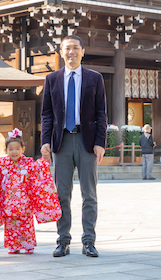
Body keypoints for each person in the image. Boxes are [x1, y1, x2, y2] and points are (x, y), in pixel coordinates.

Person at [41, 35, 107, 258]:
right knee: (61, 194)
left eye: (75, 48)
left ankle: (89, 241)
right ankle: (63, 240)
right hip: (62, 142)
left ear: (83, 51)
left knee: (89, 194)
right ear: (61, 52)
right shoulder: (52, 79)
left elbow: (101, 114)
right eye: (67, 48)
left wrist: (100, 142)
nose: (71, 52)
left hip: (87, 142)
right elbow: (47, 114)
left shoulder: (95, 78)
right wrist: (45, 142)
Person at [0, 129, 61, 254]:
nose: (14, 152)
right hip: (9, 202)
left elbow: (39, 167)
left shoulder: (28, 163)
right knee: (10, 225)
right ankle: (13, 245)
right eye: (11, 149)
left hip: (25, 201)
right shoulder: (2, 164)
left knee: (26, 224)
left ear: (23, 149)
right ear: (6, 150)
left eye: (17, 149)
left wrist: (44, 160)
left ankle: (28, 244)